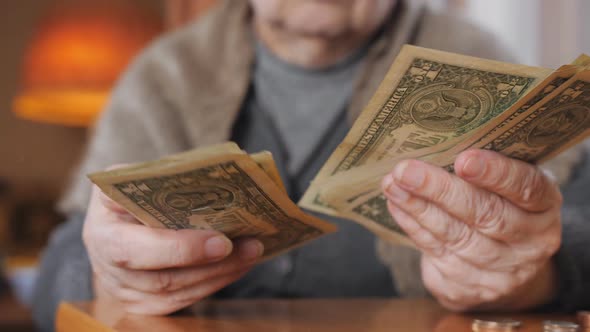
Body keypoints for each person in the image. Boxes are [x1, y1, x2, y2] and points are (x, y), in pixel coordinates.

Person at [32, 0, 590, 330]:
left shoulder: (487, 58)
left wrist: (533, 275)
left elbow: (580, 227)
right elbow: (55, 275)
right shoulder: (163, 75)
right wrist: (108, 277)